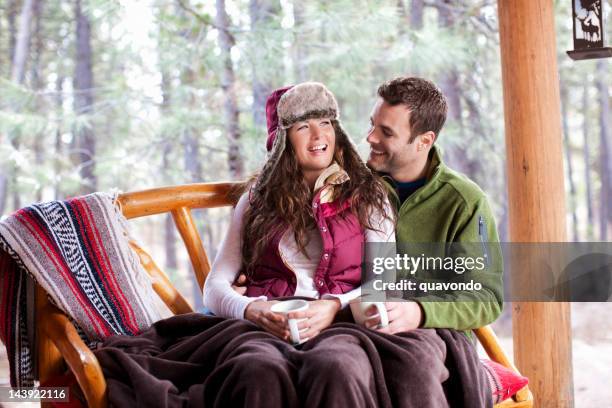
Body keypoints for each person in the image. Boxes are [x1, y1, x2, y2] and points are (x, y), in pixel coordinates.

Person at [203, 81, 395, 342]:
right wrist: (251, 309)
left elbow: (384, 282)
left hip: (341, 323)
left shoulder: (368, 195)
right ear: (282, 142)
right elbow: (214, 286)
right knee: (256, 366)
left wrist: (335, 305)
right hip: (266, 326)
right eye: (303, 127)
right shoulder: (255, 200)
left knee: (337, 366)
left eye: (325, 122)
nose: (318, 136)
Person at [364, 76, 503, 336]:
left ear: (424, 141)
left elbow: (487, 298)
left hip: (436, 338)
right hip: (364, 331)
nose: (370, 138)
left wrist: (420, 311)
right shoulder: (353, 189)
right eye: (372, 125)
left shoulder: (465, 202)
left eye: (387, 132)